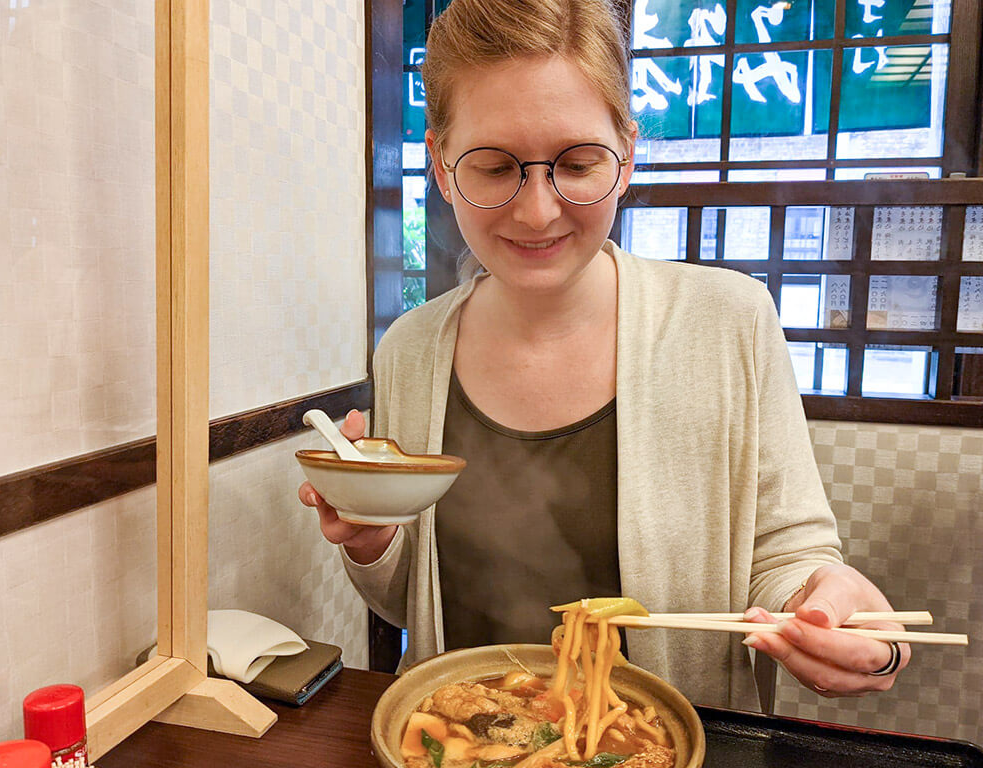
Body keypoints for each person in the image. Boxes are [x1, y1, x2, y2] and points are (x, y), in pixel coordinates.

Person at [299, 0, 909, 709]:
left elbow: (789, 559)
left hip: (663, 746)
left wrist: (826, 605)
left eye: (577, 163)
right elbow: (414, 604)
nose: (536, 210)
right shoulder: (411, 349)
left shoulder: (728, 321)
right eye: (494, 168)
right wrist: (370, 540)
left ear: (626, 152)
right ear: (439, 163)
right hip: (462, 743)